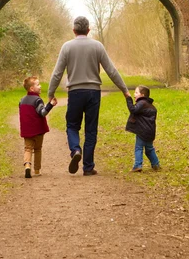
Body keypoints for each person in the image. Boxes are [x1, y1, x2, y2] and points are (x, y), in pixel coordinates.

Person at [48, 16, 130, 176]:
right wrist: (124, 89)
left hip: (75, 92)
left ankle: (75, 150)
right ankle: (88, 166)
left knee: (72, 126)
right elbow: (111, 70)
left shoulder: (67, 47)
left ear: (74, 30)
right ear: (88, 30)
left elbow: (57, 73)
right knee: (91, 130)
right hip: (93, 92)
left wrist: (51, 93)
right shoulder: (97, 46)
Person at [19, 76, 57, 178]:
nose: (40, 86)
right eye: (38, 84)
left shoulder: (22, 100)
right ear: (32, 88)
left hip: (27, 130)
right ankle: (36, 170)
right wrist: (50, 104)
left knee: (27, 149)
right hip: (38, 130)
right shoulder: (37, 100)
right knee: (37, 149)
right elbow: (42, 113)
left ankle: (27, 165)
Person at [125, 85, 161, 172]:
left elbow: (133, 110)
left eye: (136, 92)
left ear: (142, 95)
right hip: (150, 132)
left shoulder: (142, 103)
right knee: (149, 148)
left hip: (142, 131)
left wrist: (128, 99)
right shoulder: (151, 106)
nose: (134, 94)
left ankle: (138, 165)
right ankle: (155, 164)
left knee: (138, 147)